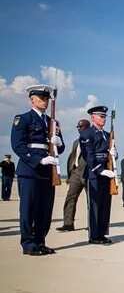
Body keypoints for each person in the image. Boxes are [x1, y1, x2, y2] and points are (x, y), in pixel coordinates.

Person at [11, 84, 65, 255]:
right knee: (29, 208)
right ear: (32, 100)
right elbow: (18, 146)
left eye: (47, 99)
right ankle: (28, 244)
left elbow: (60, 149)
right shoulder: (23, 119)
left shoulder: (52, 122)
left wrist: (59, 142)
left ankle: (40, 241)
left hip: (48, 172)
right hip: (30, 170)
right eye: (41, 98)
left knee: (44, 209)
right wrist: (39, 160)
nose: (45, 101)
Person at [80, 105, 116, 245]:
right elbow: (88, 156)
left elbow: (111, 154)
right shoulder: (87, 133)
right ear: (93, 117)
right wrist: (100, 170)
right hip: (94, 173)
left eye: (104, 116)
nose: (103, 119)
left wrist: (114, 154)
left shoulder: (107, 135)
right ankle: (94, 235)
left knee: (105, 204)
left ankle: (102, 233)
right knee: (94, 205)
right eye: (101, 116)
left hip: (107, 173)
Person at [57, 119, 90, 231]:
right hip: (75, 173)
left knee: (91, 200)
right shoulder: (76, 142)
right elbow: (71, 158)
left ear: (87, 128)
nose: (79, 129)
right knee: (70, 198)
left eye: (81, 127)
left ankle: (92, 224)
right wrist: (70, 174)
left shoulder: (93, 140)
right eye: (78, 127)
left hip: (88, 173)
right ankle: (68, 223)